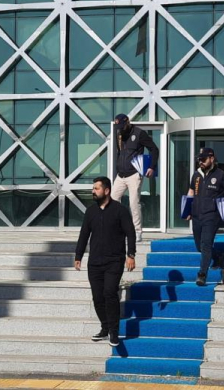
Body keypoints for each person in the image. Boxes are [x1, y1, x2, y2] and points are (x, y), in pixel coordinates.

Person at [74, 177, 136, 348]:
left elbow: (130, 233)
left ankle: (114, 332)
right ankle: (105, 328)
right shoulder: (90, 211)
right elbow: (84, 234)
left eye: (96, 188)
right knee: (97, 297)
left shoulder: (120, 210)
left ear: (106, 191)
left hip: (114, 261)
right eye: (93, 188)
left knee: (110, 293)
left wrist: (131, 254)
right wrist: (78, 256)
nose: (93, 191)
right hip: (94, 262)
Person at [186, 148, 224, 286]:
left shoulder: (221, 175)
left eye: (203, 159)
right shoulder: (196, 175)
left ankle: (202, 275)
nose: (201, 162)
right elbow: (191, 192)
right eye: (199, 159)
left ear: (212, 158)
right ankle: (218, 256)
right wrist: (187, 210)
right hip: (196, 215)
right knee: (199, 246)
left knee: (206, 244)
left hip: (212, 215)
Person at [111, 113, 159, 242]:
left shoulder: (139, 133)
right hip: (120, 175)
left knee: (133, 202)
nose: (120, 129)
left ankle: (137, 231)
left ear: (128, 122)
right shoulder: (118, 134)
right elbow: (119, 152)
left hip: (134, 174)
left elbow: (154, 149)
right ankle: (115, 229)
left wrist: (151, 167)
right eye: (118, 127)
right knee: (113, 201)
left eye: (122, 126)